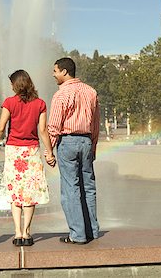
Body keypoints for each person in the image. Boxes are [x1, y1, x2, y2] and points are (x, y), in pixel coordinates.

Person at [0, 69, 56, 246]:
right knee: (30, 193)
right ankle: (27, 232)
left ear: (15, 84)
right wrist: (50, 152)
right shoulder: (40, 104)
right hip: (32, 151)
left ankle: (17, 233)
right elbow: (43, 130)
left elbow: (1, 128)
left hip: (13, 151)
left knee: (16, 193)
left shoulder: (9, 103)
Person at [47, 57, 100, 244]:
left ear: (64, 71)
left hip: (68, 142)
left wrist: (49, 151)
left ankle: (77, 234)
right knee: (89, 187)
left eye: (55, 71)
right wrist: (92, 146)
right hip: (86, 141)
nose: (53, 75)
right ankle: (92, 230)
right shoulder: (91, 92)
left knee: (71, 189)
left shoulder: (61, 95)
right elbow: (95, 124)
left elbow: (53, 126)